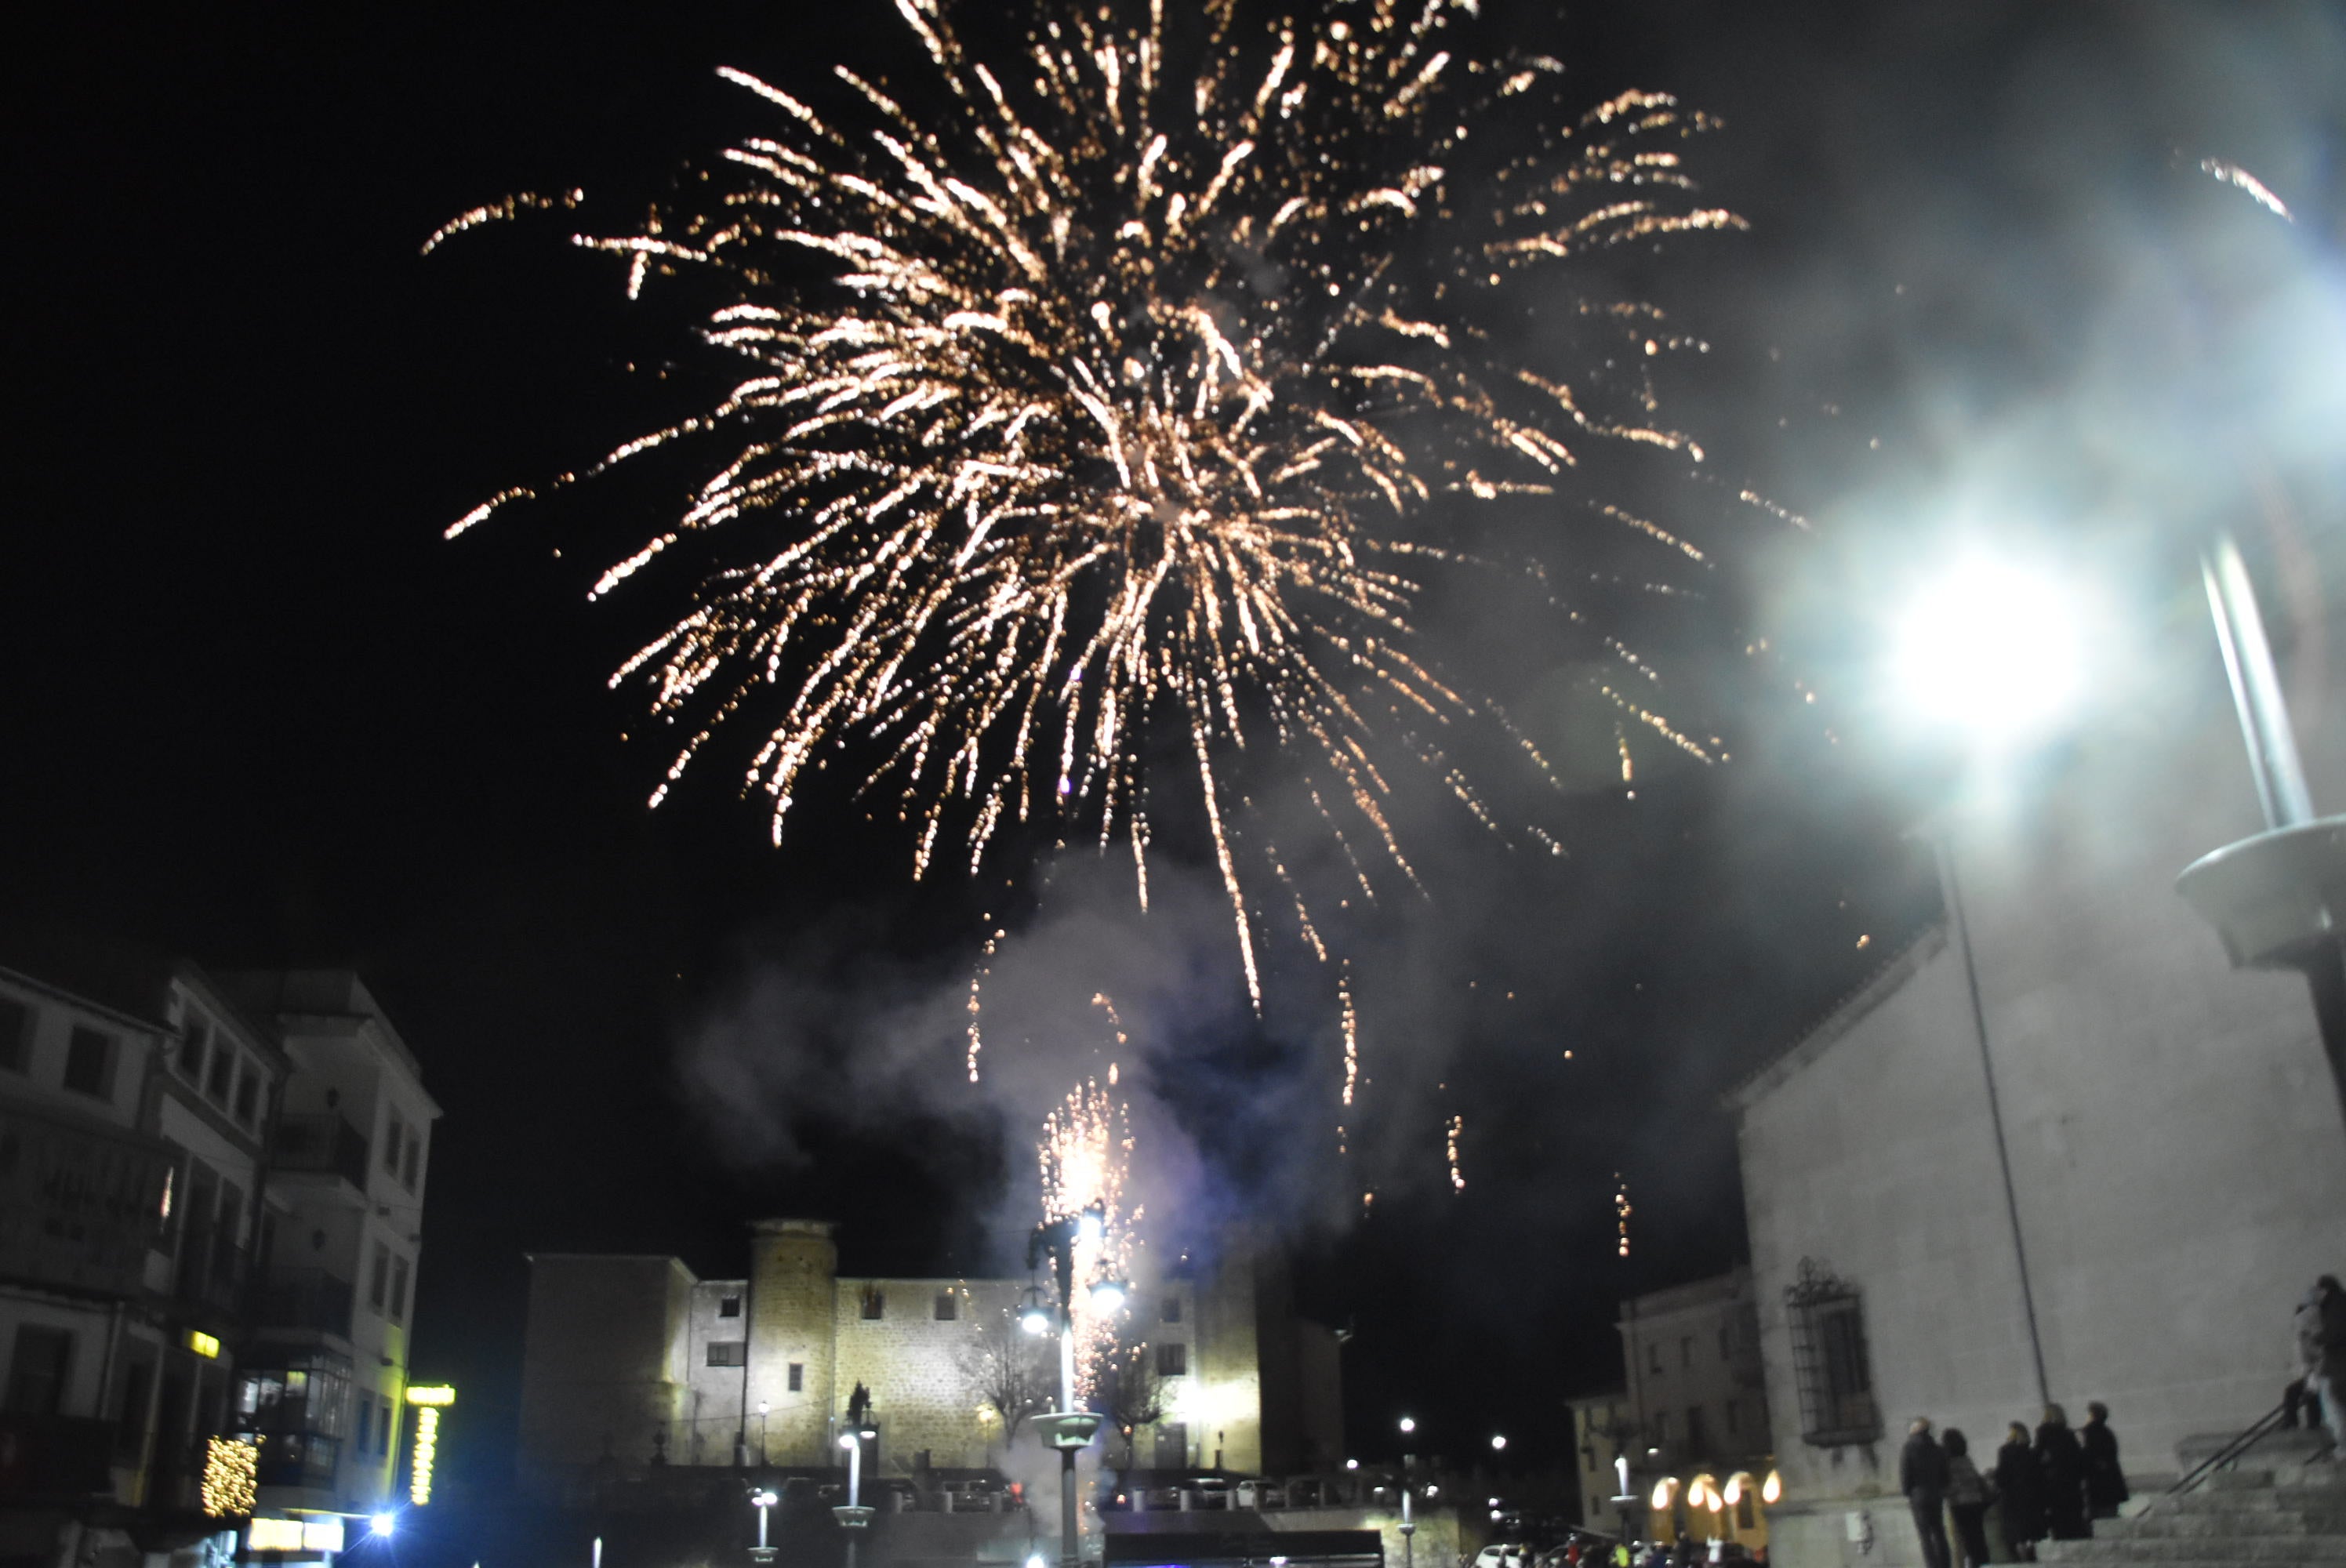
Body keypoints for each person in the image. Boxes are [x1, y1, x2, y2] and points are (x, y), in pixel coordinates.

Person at [2301, 1276, 2346, 1457]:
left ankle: (2342, 1447)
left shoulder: (2336, 1307)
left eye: (2317, 1291)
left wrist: (2318, 1338)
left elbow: (2336, 1334)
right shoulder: (2336, 1304)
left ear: (2325, 1290)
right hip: (2337, 1367)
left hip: (2338, 1368)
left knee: (2334, 1409)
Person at [1901, 1416, 1953, 1568]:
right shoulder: (1937, 1449)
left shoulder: (1908, 1448)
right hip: (1936, 1494)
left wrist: (1907, 1492)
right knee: (1939, 1532)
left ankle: (1932, 1565)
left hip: (1918, 1496)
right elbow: (1945, 1475)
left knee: (1925, 1535)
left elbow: (1905, 1474)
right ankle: (1945, 1564)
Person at [2036, 1405, 2090, 1540]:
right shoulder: (2068, 1434)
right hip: (2071, 1481)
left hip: (2053, 1481)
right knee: (2074, 1514)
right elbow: (2078, 1458)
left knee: (2059, 1516)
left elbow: (2037, 1455)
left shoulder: (2044, 1433)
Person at [1942, 1428, 1993, 1568]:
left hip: (1959, 1503)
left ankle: (1973, 1564)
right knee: (1978, 1535)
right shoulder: (1966, 1459)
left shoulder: (1948, 1463)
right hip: (1976, 1501)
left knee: (1966, 1539)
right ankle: (1984, 1563)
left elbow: (1950, 1486)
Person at [1995, 1421, 2045, 1561]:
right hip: (2031, 1500)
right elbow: (2039, 1477)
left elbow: (2001, 1478)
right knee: (2031, 1536)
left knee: (2017, 1537)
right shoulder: (2032, 1453)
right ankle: (2032, 1557)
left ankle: (2023, 1560)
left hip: (2013, 1502)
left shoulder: (2005, 1452)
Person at [2080, 1403, 2128, 1518]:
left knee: (2098, 1517)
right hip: (2110, 1482)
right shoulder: (2107, 1433)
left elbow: (2087, 1457)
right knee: (2111, 1514)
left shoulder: (2088, 1433)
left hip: (2096, 1485)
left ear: (2092, 1415)